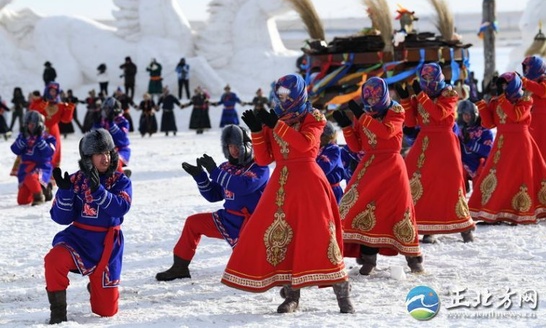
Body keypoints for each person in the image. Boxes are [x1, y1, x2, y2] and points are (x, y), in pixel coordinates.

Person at [222, 73, 354, 314]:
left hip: (308, 182)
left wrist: (275, 126)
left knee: (321, 235)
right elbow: (264, 158)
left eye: (286, 94)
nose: (282, 99)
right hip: (281, 185)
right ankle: (292, 295)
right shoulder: (276, 117)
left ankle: (342, 292)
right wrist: (257, 132)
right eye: (279, 94)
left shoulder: (313, 116)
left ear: (298, 93)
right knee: (281, 236)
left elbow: (304, 144)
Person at [333, 77, 423, 276]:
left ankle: (413, 259)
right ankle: (368, 257)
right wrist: (348, 127)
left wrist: (362, 117)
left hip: (392, 166)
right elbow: (357, 146)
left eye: (374, 97)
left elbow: (386, 132)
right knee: (352, 206)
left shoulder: (396, 110)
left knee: (399, 211)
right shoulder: (363, 113)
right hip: (369, 165)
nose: (371, 101)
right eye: (368, 97)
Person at [156, 124, 270, 281]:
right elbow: (214, 195)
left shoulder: (260, 167)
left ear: (247, 145)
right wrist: (200, 177)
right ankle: (179, 267)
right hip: (228, 219)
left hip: (252, 225)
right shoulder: (225, 168)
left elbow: (243, 186)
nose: (233, 150)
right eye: (230, 146)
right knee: (193, 223)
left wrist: (215, 172)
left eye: (237, 145)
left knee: (250, 271)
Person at [44, 128, 132, 324]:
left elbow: (121, 208)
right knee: (54, 260)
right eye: (99, 154)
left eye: (108, 153)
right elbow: (60, 218)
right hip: (78, 240)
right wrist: (65, 193)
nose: (105, 158)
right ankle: (58, 313)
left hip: (107, 246)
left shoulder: (120, 180)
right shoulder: (75, 180)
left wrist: (98, 191)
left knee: (106, 312)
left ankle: (97, 287)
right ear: (87, 157)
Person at [395, 63, 475, 243]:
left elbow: (439, 114)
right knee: (416, 179)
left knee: (450, 185)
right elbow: (410, 121)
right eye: (426, 79)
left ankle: (464, 227)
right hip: (424, 142)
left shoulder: (450, 94)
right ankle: (426, 226)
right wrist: (406, 100)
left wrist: (421, 96)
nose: (429, 82)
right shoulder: (421, 95)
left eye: (432, 79)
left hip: (445, 142)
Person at [468, 72, 546, 224]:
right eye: (501, 85)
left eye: (506, 85)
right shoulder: (497, 101)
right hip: (502, 143)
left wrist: (502, 99)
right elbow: (489, 124)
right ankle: (495, 211)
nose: (503, 88)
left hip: (521, 144)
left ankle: (518, 212)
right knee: (499, 176)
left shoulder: (525, 100)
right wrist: (480, 104)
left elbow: (516, 115)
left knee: (520, 178)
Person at [10, 110, 56, 205]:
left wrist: (39, 140)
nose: (29, 127)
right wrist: (23, 140)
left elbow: (48, 153)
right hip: (25, 168)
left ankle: (39, 196)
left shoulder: (48, 137)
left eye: (32, 125)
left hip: (42, 167)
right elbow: (15, 149)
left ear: (39, 125)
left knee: (30, 177)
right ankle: (43, 189)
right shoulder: (23, 136)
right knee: (22, 201)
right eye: (27, 125)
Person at [29, 82, 75, 169]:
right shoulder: (39, 101)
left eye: (55, 91)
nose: (53, 93)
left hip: (54, 132)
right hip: (39, 131)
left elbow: (66, 120)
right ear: (47, 91)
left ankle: (50, 175)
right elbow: (33, 112)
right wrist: (44, 103)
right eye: (51, 91)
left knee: (53, 151)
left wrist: (71, 106)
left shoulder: (60, 105)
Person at [456, 99, 494, 193]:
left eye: (469, 114)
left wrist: (471, 143)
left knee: (479, 192)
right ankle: (462, 193)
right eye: (464, 114)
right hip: (465, 164)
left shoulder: (485, 130)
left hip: (480, 164)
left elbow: (488, 151)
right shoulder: (460, 130)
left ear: (475, 114)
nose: (466, 117)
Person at [94, 97, 132, 177]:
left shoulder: (123, 121)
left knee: (114, 161)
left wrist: (112, 124)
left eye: (107, 109)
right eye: (104, 109)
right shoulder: (102, 121)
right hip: (104, 150)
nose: (105, 112)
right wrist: (96, 124)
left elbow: (122, 138)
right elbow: (94, 136)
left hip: (120, 149)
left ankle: (121, 179)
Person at [521, 55, 546, 164]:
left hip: (544, 127)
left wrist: (525, 82)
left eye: (528, 68)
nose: (526, 71)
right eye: (525, 68)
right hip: (532, 125)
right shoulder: (528, 86)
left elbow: (542, 91)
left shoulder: (545, 82)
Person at [316, 121, 345, 203]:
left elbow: (324, 168)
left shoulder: (333, 149)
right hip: (318, 189)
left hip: (331, 190)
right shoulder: (317, 148)